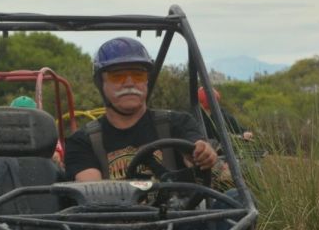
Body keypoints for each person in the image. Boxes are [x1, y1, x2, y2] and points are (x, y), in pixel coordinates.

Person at [63, 37, 218, 182]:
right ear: (101, 84)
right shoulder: (83, 142)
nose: (130, 83)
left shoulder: (177, 123)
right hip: (115, 210)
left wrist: (202, 153)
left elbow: (194, 148)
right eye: (118, 76)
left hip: (179, 209)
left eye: (138, 75)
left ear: (146, 81)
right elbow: (92, 192)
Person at [10, 94, 63, 166]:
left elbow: (56, 156)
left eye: (27, 115)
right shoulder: (3, 132)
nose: (22, 119)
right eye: (18, 114)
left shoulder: (46, 132)